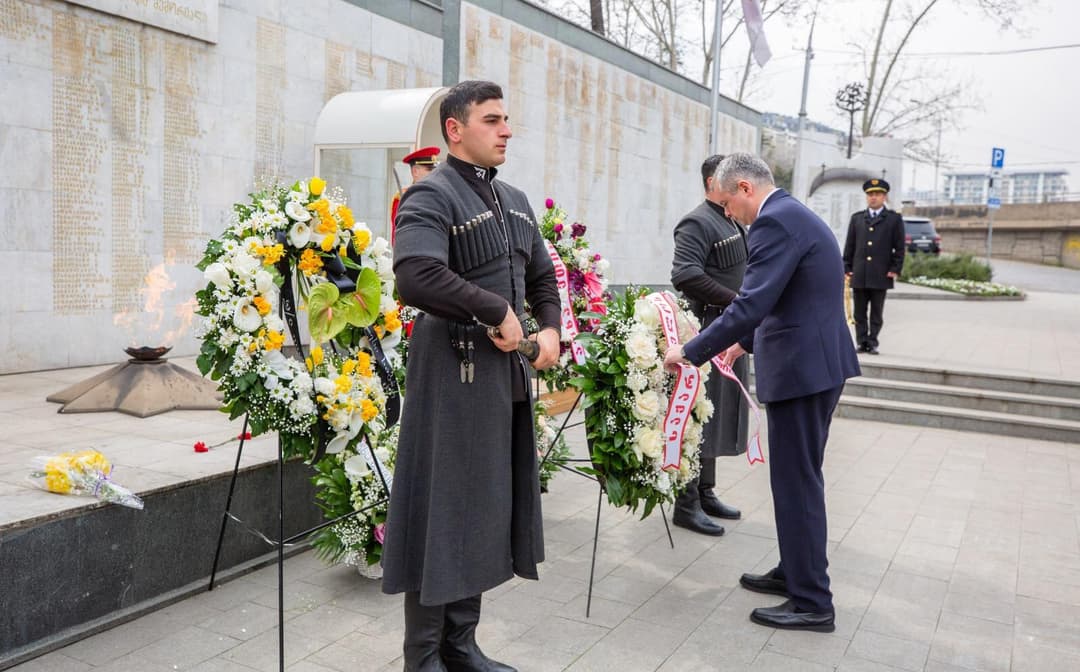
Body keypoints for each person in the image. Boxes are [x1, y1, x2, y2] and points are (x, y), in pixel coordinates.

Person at [383, 80, 561, 672]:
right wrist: (496, 310)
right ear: (455, 130)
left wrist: (552, 328)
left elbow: (541, 276)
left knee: (484, 506)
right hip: (448, 380)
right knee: (442, 512)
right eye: (492, 120)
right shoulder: (429, 197)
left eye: (506, 118)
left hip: (500, 383)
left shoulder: (514, 198)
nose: (506, 129)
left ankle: (461, 646)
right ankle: (424, 656)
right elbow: (415, 276)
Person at [663, 153, 860, 633]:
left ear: (746, 188)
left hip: (804, 372)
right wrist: (740, 344)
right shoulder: (790, 214)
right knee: (795, 480)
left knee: (797, 484)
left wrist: (692, 352)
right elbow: (790, 295)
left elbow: (753, 301)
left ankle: (813, 600)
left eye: (729, 203)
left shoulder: (774, 222)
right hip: (813, 366)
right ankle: (795, 571)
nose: (729, 214)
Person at [668, 154, 750, 537]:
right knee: (698, 415)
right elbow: (685, 274)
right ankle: (685, 504)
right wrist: (735, 303)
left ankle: (705, 490)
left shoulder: (731, 219)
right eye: (727, 180)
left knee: (715, 414)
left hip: (730, 330)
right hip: (707, 329)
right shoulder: (697, 221)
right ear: (710, 182)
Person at [842, 178, 906, 355]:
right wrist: (846, 267)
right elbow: (850, 246)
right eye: (870, 194)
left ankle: (873, 342)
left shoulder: (893, 219)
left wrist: (895, 268)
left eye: (877, 194)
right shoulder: (857, 219)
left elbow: (899, 248)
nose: (873, 198)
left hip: (881, 273)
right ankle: (862, 342)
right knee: (859, 312)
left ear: (884, 197)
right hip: (860, 273)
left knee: (876, 312)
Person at [391, 146, 441, 244]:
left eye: (435, 169)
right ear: (415, 171)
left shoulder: (438, 195)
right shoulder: (402, 198)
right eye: (429, 169)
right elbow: (396, 237)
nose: (434, 173)